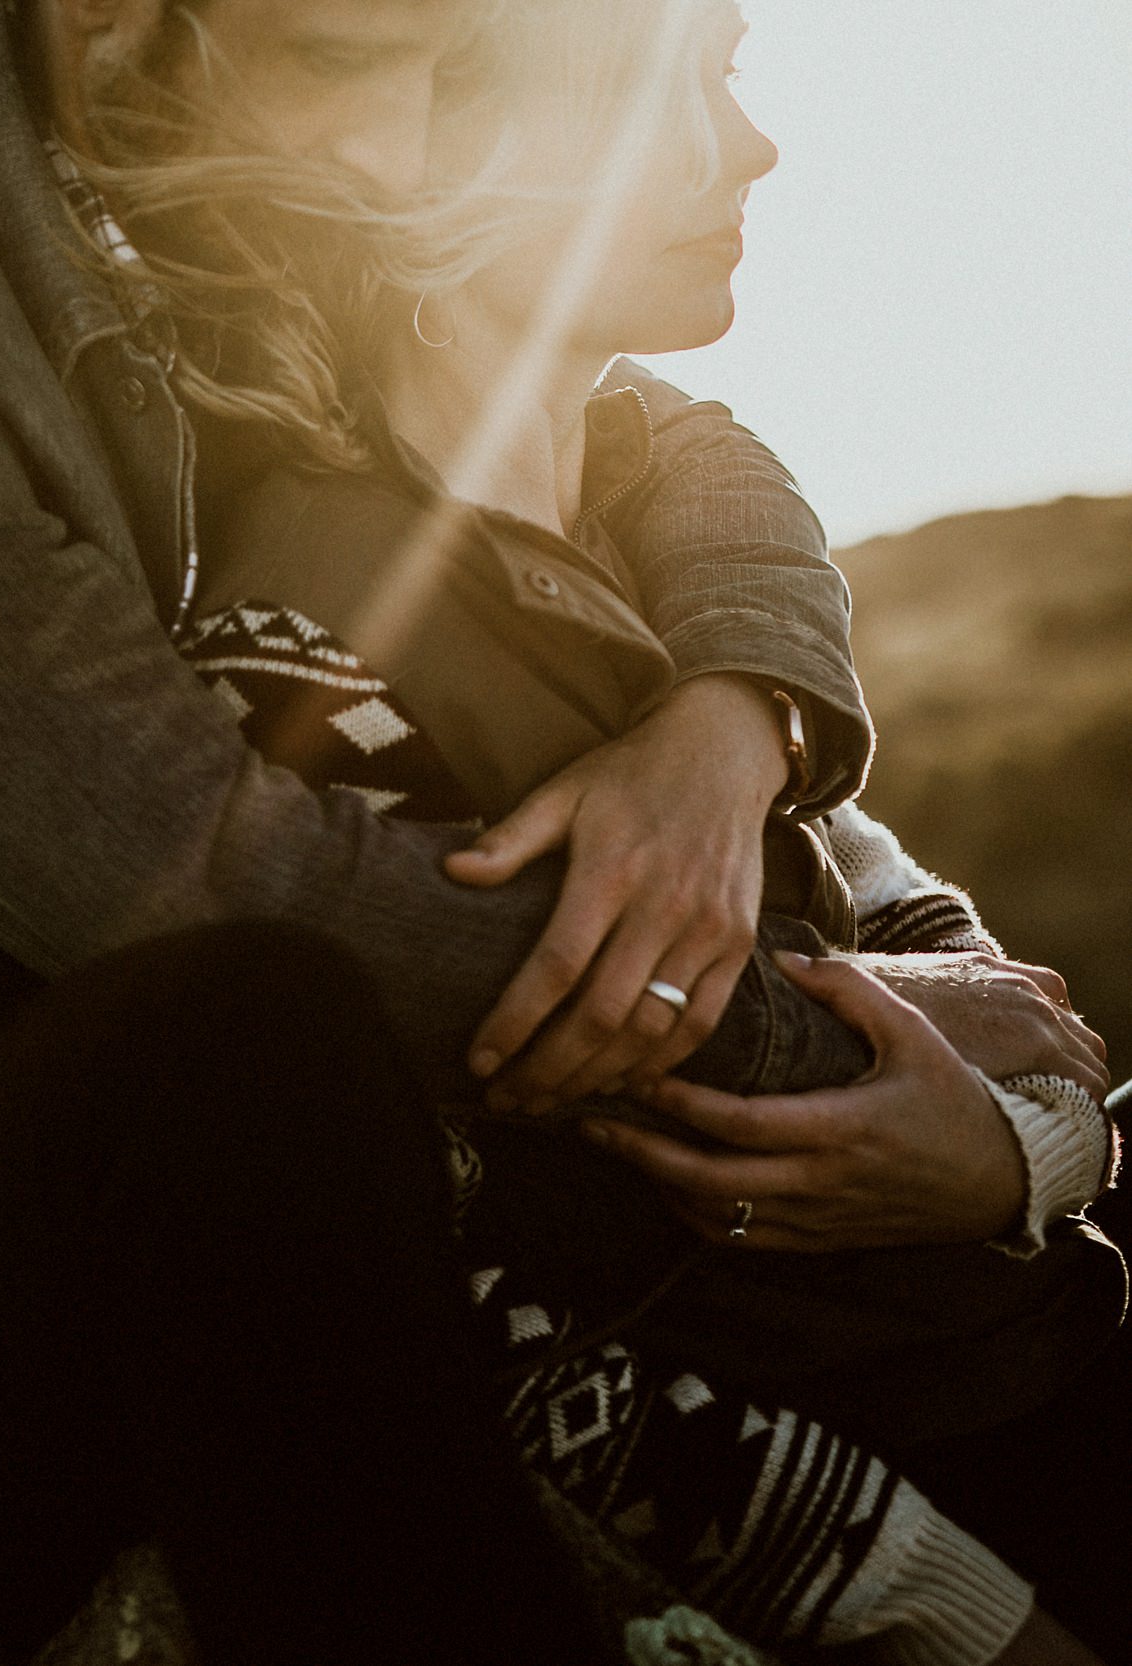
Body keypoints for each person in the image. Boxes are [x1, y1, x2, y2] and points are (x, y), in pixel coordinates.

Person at [0, 0, 1113, 1660]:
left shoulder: (258, 151)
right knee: (251, 1039)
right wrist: (867, 1052)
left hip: (329, 1206)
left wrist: (733, 721)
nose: (413, 129)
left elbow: (642, 414)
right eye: (355, 61)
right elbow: (203, 883)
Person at [78, 0, 1125, 1654]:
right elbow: (464, 1308)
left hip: (1046, 1324)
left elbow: (886, 885)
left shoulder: (650, 517)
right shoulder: (308, 638)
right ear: (452, 154)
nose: (757, 146)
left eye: (734, 73)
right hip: (921, 1462)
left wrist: (1030, 1144)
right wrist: (958, 1613)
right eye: (674, 97)